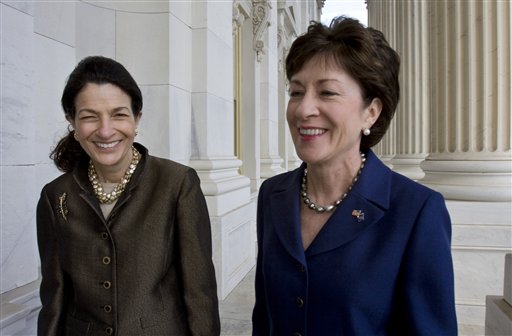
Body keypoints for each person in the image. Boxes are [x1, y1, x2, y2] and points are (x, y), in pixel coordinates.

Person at [252, 16, 457, 335]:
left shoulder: (416, 211)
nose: (304, 109)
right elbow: (265, 318)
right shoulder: (272, 195)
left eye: (327, 93)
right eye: (296, 91)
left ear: (371, 112)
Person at [36, 55, 220, 336]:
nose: (106, 130)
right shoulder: (55, 196)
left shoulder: (178, 184)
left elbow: (199, 293)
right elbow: (54, 298)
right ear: (72, 123)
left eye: (119, 114)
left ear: (137, 119)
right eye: (89, 117)